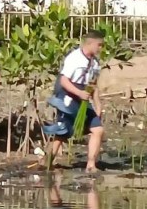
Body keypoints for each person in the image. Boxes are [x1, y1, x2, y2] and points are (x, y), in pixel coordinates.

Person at [43, 30, 105, 172]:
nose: (100, 48)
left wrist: (98, 104)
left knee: (98, 129)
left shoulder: (95, 63)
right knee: (63, 132)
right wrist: (79, 93)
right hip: (69, 96)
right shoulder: (74, 58)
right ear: (89, 43)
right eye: (99, 45)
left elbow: (93, 85)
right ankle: (47, 162)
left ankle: (91, 164)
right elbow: (64, 80)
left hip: (84, 95)